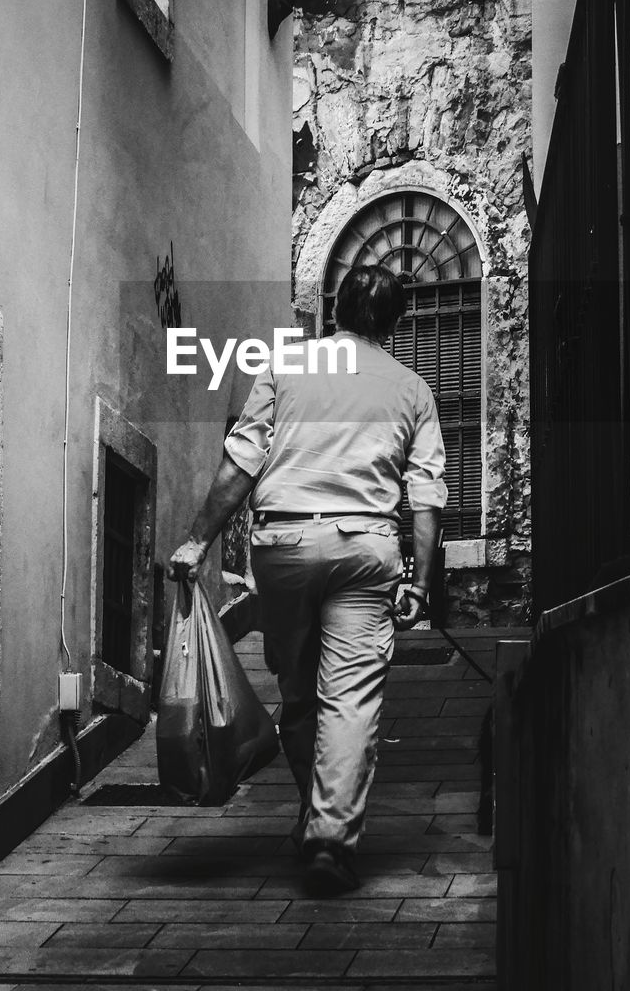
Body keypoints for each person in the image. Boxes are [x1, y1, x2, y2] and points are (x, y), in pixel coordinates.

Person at [167, 264, 446, 895]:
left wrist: (196, 541)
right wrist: (422, 583)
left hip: (284, 544)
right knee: (350, 697)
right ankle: (329, 838)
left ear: (334, 312)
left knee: (298, 695)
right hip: (366, 549)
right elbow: (427, 495)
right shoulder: (412, 389)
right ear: (396, 322)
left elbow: (242, 459)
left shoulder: (287, 365)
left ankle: (318, 814)